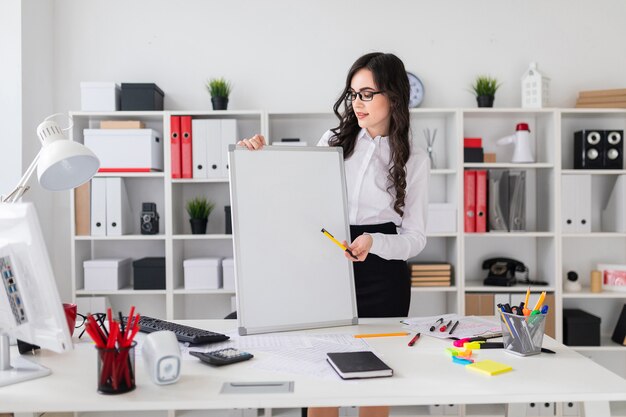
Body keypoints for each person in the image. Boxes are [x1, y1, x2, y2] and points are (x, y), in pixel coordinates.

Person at [238, 52, 429, 417]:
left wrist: (376, 243)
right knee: (323, 376)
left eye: (368, 93)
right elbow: (299, 196)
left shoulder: (415, 158)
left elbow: (416, 237)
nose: (358, 103)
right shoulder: (334, 139)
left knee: (375, 383)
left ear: (394, 96)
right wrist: (258, 158)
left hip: (382, 273)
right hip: (328, 263)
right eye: (354, 94)